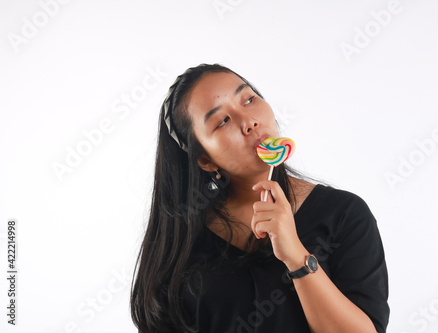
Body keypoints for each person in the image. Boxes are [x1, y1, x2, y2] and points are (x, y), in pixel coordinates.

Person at [130, 63, 390, 333]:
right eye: (223, 121)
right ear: (205, 159)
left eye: (249, 99)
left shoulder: (345, 214)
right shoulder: (182, 240)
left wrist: (296, 256)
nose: (249, 122)